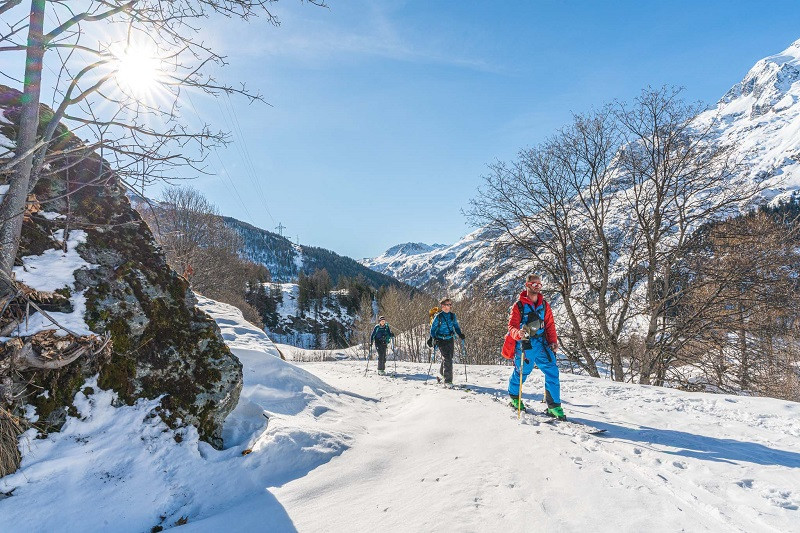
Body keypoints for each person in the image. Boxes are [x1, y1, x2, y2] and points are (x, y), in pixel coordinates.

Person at [506, 273, 565, 420]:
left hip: (542, 343)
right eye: (534, 284)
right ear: (527, 285)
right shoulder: (518, 306)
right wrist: (517, 333)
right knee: (522, 372)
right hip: (526, 344)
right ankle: (514, 397)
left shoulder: (544, 305)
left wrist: (553, 342)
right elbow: (511, 326)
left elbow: (550, 325)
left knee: (552, 371)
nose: (537, 286)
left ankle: (554, 406)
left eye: (539, 284)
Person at [429, 298, 465, 384]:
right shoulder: (438, 317)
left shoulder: (453, 316)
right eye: (448, 304)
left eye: (450, 304)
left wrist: (460, 334)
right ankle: (448, 381)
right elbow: (432, 329)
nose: (450, 306)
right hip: (441, 340)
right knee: (448, 359)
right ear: (443, 306)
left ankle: (442, 373)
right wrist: (433, 338)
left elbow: (456, 326)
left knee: (448, 358)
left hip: (450, 339)